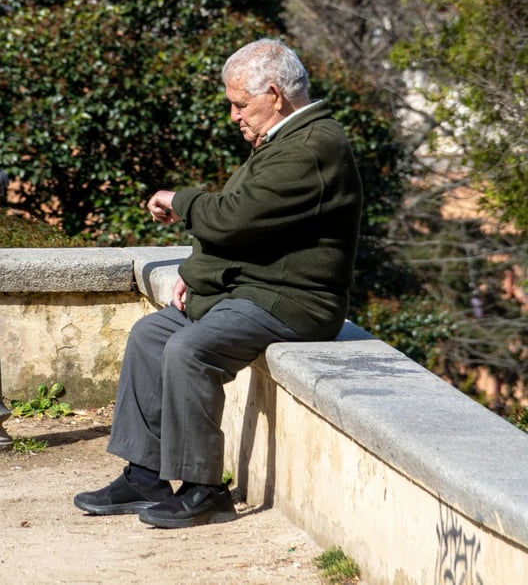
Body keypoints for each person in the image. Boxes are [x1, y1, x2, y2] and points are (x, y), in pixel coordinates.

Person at [73, 38, 363, 529]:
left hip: (292, 303)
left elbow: (230, 219)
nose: (234, 115)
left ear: (274, 93)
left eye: (239, 103)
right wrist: (194, 272)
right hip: (252, 290)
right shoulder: (283, 140)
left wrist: (179, 198)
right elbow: (245, 226)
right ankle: (145, 474)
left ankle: (205, 489)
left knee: (189, 349)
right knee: (151, 337)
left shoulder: (314, 147)